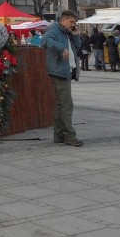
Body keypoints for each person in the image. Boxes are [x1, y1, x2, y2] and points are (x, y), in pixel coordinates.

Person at [40, 10, 84, 147]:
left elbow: (76, 48)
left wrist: (76, 35)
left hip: (65, 71)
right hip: (59, 71)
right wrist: (61, 48)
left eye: (74, 22)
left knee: (60, 104)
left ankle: (59, 135)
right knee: (66, 105)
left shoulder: (66, 32)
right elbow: (45, 41)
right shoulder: (54, 29)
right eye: (71, 22)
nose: (73, 24)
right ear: (63, 20)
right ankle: (69, 135)